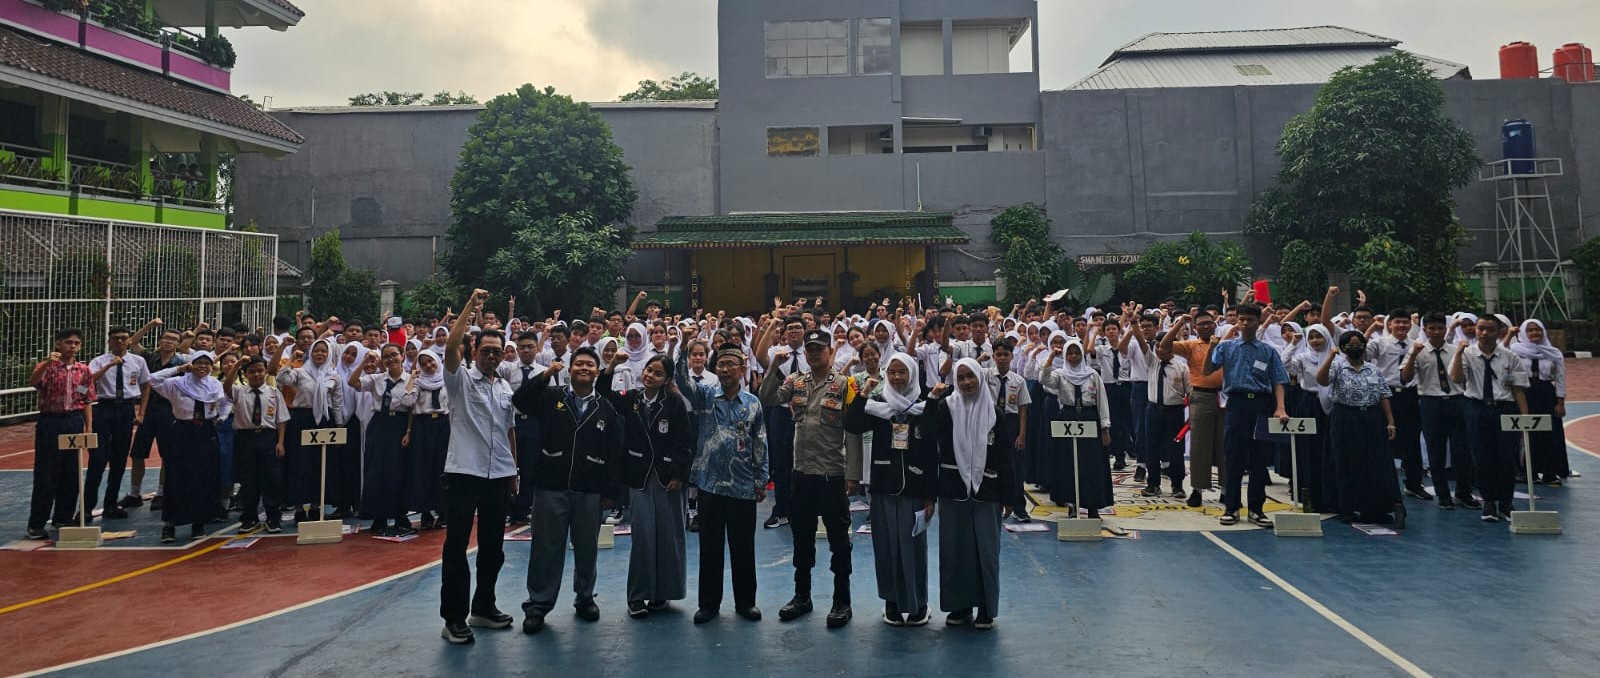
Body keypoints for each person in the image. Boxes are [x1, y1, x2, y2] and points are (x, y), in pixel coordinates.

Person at [511, 346, 623, 633]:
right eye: (579, 363)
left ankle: (585, 598)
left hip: (590, 488)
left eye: (590, 365)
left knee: (587, 547)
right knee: (545, 548)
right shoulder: (551, 397)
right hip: (551, 484)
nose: (584, 368)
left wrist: (611, 492)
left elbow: (614, 451)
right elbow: (520, 400)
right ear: (570, 369)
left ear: (597, 372)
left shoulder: (606, 407)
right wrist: (545, 374)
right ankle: (538, 604)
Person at [758, 325, 861, 628]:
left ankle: (842, 601)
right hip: (801, 472)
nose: (814, 354)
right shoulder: (796, 381)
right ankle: (802, 596)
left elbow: (853, 432)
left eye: (819, 349)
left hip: (832, 473)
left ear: (830, 352)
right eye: (810, 350)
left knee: (839, 541)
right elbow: (768, 397)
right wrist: (773, 367)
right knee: (801, 539)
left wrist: (853, 474)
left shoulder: (845, 384)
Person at [438, 289, 517, 645]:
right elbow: (450, 346)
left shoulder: (504, 387)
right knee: (456, 547)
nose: (491, 356)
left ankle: (484, 607)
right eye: (485, 350)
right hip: (464, 473)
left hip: (498, 474)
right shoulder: (460, 380)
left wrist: (514, 471)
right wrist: (471, 306)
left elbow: (509, 431)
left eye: (496, 352)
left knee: (493, 547)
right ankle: (453, 618)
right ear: (474, 351)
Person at [843, 353, 938, 627]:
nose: (897, 377)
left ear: (912, 374)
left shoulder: (925, 404)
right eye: (892, 372)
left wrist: (930, 496)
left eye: (902, 372)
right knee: (886, 548)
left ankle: (919, 604)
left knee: (914, 549)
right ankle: (892, 604)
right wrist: (864, 393)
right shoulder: (878, 404)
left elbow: (932, 450)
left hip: (915, 490)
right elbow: (852, 424)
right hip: (884, 487)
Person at [676, 343, 767, 624]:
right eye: (721, 364)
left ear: (742, 369)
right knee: (710, 548)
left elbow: (760, 442)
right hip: (710, 485)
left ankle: (746, 603)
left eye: (731, 364)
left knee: (744, 548)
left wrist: (761, 478)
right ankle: (708, 604)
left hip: (743, 486)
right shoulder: (705, 396)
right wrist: (683, 346)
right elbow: (681, 379)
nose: (725, 369)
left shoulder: (753, 403)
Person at [598, 353, 692, 618]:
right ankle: (637, 596)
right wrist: (612, 366)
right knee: (642, 537)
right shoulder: (632, 399)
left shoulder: (674, 403)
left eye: (658, 373)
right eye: (649, 370)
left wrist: (679, 475)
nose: (650, 375)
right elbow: (603, 394)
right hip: (639, 475)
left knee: (669, 535)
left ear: (667, 380)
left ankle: (663, 593)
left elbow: (684, 442)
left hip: (667, 477)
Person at [930, 358, 1015, 630]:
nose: (967, 382)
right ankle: (960, 607)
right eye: (961, 377)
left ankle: (986, 609)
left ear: (980, 377)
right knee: (955, 550)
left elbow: (1005, 456)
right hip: (953, 490)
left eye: (971, 376)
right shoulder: (945, 408)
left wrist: (1009, 496)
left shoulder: (994, 414)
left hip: (987, 492)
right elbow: (929, 440)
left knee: (985, 551)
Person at [1203, 303, 1290, 527]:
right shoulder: (1227, 347)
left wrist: (1280, 407)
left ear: (1258, 322)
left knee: (1260, 459)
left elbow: (1279, 380)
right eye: (1241, 319)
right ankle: (1231, 508)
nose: (1245, 323)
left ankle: (1256, 509)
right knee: (1234, 457)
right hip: (1237, 404)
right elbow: (1207, 370)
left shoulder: (1268, 350)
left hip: (1261, 404)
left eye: (1250, 320)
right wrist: (1212, 346)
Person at [1450, 314, 1529, 522]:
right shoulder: (1467, 353)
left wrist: (1525, 419)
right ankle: (1489, 502)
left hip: (1504, 407)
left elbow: (1518, 389)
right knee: (1481, 456)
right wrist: (1458, 353)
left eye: (1490, 329)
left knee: (1507, 457)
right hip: (1476, 407)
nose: (1484, 333)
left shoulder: (1509, 356)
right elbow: (1457, 378)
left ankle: (1506, 503)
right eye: (1481, 329)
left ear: (1499, 331)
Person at [1316, 331, 1399, 523]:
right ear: (1343, 348)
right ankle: (1346, 507)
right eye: (1350, 345)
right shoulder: (1337, 366)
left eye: (1359, 344)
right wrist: (1331, 356)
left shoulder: (1373, 369)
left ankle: (1374, 508)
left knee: (1373, 462)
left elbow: (1384, 395)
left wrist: (1390, 421)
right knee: (1346, 461)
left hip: (1371, 417)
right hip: (1345, 417)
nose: (1355, 348)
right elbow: (1321, 380)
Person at [1401, 312, 1479, 510]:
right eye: (1432, 328)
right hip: (1431, 403)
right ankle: (1443, 495)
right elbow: (1406, 378)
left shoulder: (1457, 350)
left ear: (1446, 329)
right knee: (1436, 450)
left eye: (1440, 328)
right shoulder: (1417, 350)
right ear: (1425, 330)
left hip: (1457, 400)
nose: (1436, 332)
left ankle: (1463, 493)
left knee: (1462, 450)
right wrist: (1413, 355)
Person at [147, 352, 225, 543]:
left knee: (202, 477)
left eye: (207, 363)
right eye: (199, 363)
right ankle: (170, 524)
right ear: (192, 364)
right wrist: (179, 369)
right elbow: (153, 379)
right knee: (176, 477)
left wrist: (221, 416)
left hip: (206, 432)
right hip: (183, 431)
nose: (203, 367)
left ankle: (198, 522)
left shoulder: (214, 384)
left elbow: (225, 402)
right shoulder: (177, 383)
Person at [25, 329, 95, 540]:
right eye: (68, 342)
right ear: (58, 344)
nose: (72, 346)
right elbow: (34, 382)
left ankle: (62, 518)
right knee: (46, 473)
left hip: (73, 420)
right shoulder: (48, 367)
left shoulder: (83, 370)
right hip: (51, 421)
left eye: (76, 343)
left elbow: (85, 399)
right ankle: (37, 523)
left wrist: (88, 427)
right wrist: (47, 362)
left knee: (71, 472)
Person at [1039, 337, 1112, 518]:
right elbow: (1044, 379)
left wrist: (1105, 427)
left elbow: (1102, 401)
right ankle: (1072, 503)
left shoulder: (1092, 375)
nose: (1073, 357)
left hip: (1089, 417)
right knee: (1068, 462)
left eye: (1076, 353)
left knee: (1091, 463)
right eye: (1069, 353)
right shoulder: (1060, 374)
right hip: (1068, 416)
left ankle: (1093, 505)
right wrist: (1051, 357)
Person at [350, 344, 417, 536]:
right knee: (377, 470)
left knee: (399, 471)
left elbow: (412, 408)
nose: (391, 359)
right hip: (379, 424)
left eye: (394, 355)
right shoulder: (377, 379)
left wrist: (408, 431)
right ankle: (378, 517)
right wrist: (364, 361)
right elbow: (352, 382)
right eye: (386, 356)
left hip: (399, 425)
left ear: (402, 356)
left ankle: (400, 516)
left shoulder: (411, 379)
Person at [85, 325, 149, 522]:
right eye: (115, 338)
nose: (119, 341)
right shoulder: (99, 361)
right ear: (109, 341)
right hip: (104, 408)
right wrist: (109, 365)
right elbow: (88, 381)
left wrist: (141, 412)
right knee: (97, 460)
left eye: (123, 338)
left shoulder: (138, 361)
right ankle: (86, 508)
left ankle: (111, 504)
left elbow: (146, 384)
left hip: (126, 409)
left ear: (129, 340)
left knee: (119, 459)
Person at [1161, 312, 1226, 507]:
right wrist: (1179, 323)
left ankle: (1226, 489)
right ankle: (1197, 489)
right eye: (1201, 324)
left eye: (1209, 323)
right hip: (1201, 395)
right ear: (1195, 328)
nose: (1206, 327)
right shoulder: (1190, 345)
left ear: (1215, 325)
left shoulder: (1225, 344)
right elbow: (1165, 345)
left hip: (1224, 396)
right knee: (1199, 445)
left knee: (1224, 444)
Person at [276, 338, 343, 522]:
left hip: (324, 420)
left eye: (324, 351)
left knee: (320, 464)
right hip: (302, 420)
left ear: (329, 354)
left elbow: (337, 403)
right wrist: (291, 358)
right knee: (300, 464)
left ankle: (316, 506)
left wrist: (339, 426)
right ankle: (299, 507)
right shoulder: (300, 372)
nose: (320, 354)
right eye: (316, 351)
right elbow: (282, 378)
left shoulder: (334, 376)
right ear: (310, 353)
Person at [222, 357, 290, 533]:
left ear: (266, 372)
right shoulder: (239, 391)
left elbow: (281, 419)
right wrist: (237, 365)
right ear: (245, 374)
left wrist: (280, 442)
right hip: (245, 438)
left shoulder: (274, 393)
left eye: (260, 370)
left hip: (268, 436)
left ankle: (273, 517)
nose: (256, 374)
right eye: (252, 371)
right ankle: (249, 517)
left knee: (271, 478)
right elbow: (226, 387)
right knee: (248, 479)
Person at [127, 327, 185, 511]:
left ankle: (161, 493)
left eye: (173, 339)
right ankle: (134, 493)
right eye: (166, 338)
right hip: (148, 409)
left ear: (178, 344)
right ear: (159, 340)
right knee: (137, 453)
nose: (169, 341)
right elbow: (133, 342)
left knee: (167, 454)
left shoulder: (181, 364)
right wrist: (151, 324)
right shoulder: (150, 358)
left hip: (168, 410)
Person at [1508, 319, 1568, 485]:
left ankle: (1550, 472)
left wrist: (1560, 402)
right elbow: (1501, 357)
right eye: (1530, 330)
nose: (1534, 333)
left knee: (1549, 433)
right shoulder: (1515, 350)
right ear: (1523, 333)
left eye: (1538, 329)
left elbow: (1560, 378)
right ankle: (1528, 471)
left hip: (1546, 394)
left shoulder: (1553, 353)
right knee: (1526, 433)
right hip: (1524, 393)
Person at [986, 339, 1032, 520]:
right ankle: (993, 502)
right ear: (993, 356)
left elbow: (1023, 408)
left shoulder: (1018, 380)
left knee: (1015, 467)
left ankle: (1019, 506)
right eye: (999, 354)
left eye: (1006, 354)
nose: (1002, 358)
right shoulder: (986, 376)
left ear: (1012, 356)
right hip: (991, 421)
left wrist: (1022, 434)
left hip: (1011, 423)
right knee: (991, 462)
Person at [1141, 336, 1190, 498]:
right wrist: (1134, 326)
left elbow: (1189, 392)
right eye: (1157, 346)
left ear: (1173, 347)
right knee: (1151, 448)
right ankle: (1153, 484)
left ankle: (1177, 485)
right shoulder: (1152, 362)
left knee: (1176, 449)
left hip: (1174, 411)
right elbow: (1142, 343)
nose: (1159, 350)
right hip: (1154, 409)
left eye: (1163, 346)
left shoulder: (1181, 368)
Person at [409, 351, 451, 529]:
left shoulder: (446, 381)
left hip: (443, 424)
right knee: (423, 468)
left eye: (431, 361)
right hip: (423, 425)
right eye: (424, 363)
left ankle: (443, 511)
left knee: (442, 468)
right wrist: (412, 378)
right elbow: (407, 401)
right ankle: (425, 512)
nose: (428, 365)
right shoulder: (418, 382)